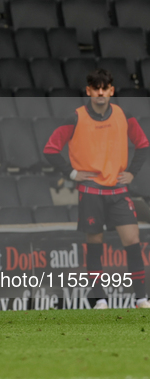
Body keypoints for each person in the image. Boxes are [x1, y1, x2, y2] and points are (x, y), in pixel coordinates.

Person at [44, 68, 150, 309]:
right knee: (95, 242)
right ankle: (98, 298)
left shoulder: (123, 115)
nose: (100, 93)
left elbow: (143, 144)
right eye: (96, 88)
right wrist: (71, 173)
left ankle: (141, 298)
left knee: (132, 240)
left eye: (105, 88)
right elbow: (50, 149)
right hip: (91, 191)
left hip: (118, 191)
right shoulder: (76, 117)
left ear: (111, 91)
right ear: (88, 91)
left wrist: (132, 172)